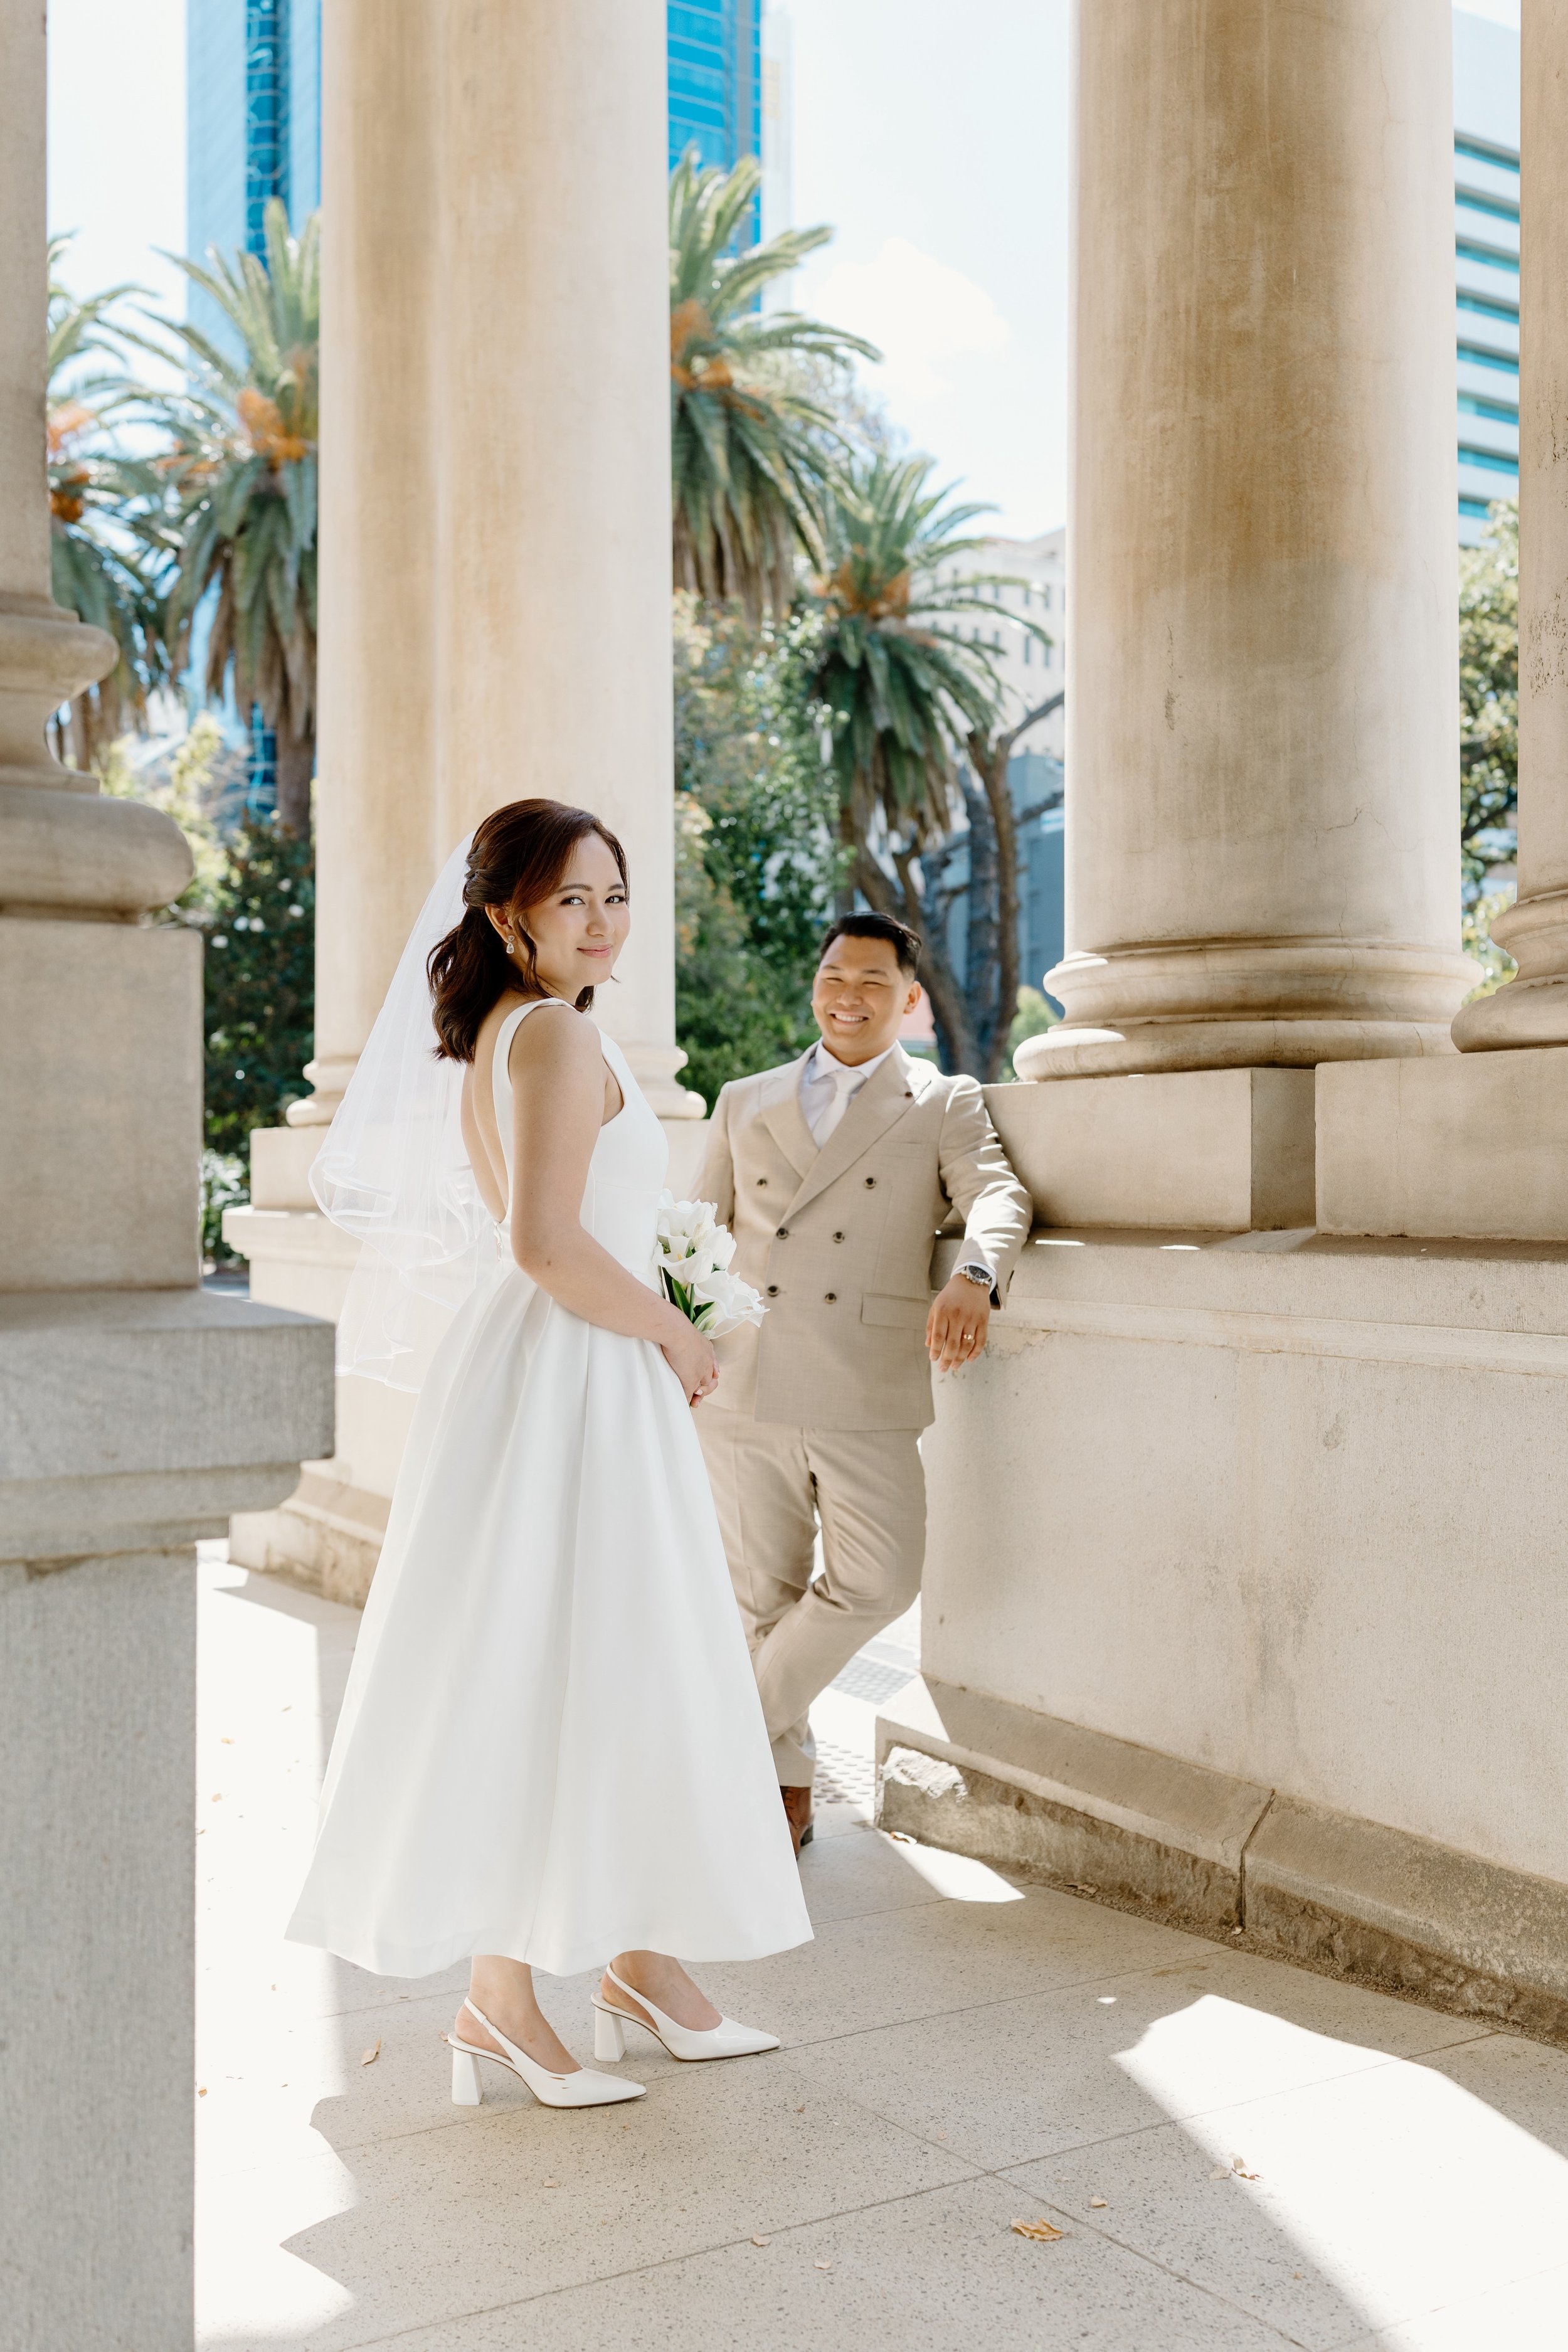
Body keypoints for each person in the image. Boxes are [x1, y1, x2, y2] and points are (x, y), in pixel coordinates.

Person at [287, 800, 811, 2111]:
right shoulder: (558, 1037)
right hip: (572, 1367)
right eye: (572, 898)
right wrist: (679, 1340)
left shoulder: (518, 1034)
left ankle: (637, 1968)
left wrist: (657, 1319)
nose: (601, 920)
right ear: (506, 912)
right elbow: (548, 1244)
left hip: (561, 1367)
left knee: (613, 1657)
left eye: (615, 895)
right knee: (557, 1660)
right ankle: (502, 1998)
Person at [695, 913, 1032, 1853]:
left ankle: (709, 1740)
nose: (848, 994)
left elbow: (997, 1194)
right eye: (833, 974)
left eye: (873, 981)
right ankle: (781, 1786)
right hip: (743, 1377)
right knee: (760, 1596)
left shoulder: (942, 1099)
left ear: (909, 998)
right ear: (814, 982)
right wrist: (677, 1343)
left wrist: (975, 1274)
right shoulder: (743, 1098)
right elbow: (694, 1231)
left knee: (881, 1579)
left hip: (864, 1379)